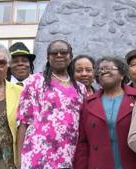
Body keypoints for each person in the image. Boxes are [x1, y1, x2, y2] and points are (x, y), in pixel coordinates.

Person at [17, 40, 86, 169]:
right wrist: (19, 159)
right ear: (48, 57)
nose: (59, 55)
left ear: (70, 56)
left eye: (63, 52)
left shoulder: (81, 88)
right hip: (37, 154)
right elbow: (23, 121)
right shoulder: (34, 82)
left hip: (68, 153)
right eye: (54, 53)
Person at [74, 56, 136, 169]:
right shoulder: (88, 103)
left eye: (109, 68)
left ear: (122, 74)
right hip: (99, 164)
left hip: (132, 163)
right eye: (101, 70)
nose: (104, 71)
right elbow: (83, 144)